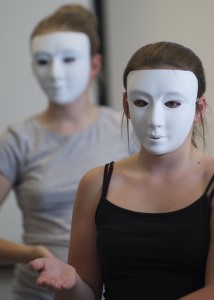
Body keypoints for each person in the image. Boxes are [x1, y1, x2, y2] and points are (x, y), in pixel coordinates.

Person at [29, 41, 214, 300]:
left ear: (198, 109)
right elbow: (86, 294)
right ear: (126, 105)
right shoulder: (96, 184)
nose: (155, 121)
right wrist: (70, 283)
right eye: (141, 102)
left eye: (172, 103)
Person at [0, 4, 137, 300]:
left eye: (69, 59)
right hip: (38, 293)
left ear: (94, 65)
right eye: (43, 61)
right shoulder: (17, 139)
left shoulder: (127, 131)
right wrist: (31, 254)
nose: (55, 73)